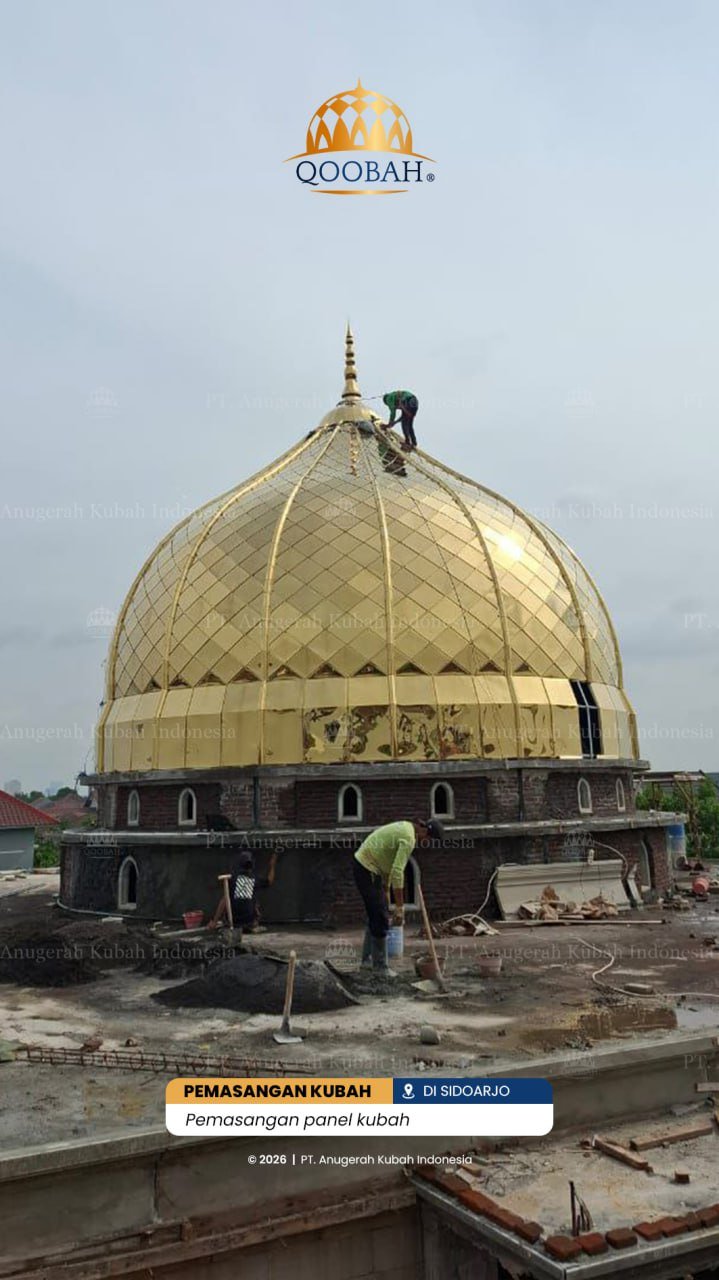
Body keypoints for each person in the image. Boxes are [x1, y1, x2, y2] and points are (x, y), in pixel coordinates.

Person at [353, 818, 445, 975]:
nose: (427, 843)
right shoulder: (408, 839)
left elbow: (388, 864)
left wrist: (386, 891)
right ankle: (380, 968)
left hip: (368, 866)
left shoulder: (406, 828)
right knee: (380, 916)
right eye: (429, 840)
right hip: (367, 867)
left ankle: (367, 964)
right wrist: (400, 907)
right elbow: (397, 871)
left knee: (376, 914)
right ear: (425, 832)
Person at [208, 851, 277, 933]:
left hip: (234, 922)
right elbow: (269, 881)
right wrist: (272, 865)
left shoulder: (233, 879)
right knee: (254, 901)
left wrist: (214, 921)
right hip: (249, 922)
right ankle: (252, 924)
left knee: (238, 900)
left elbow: (224, 901)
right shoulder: (255, 879)